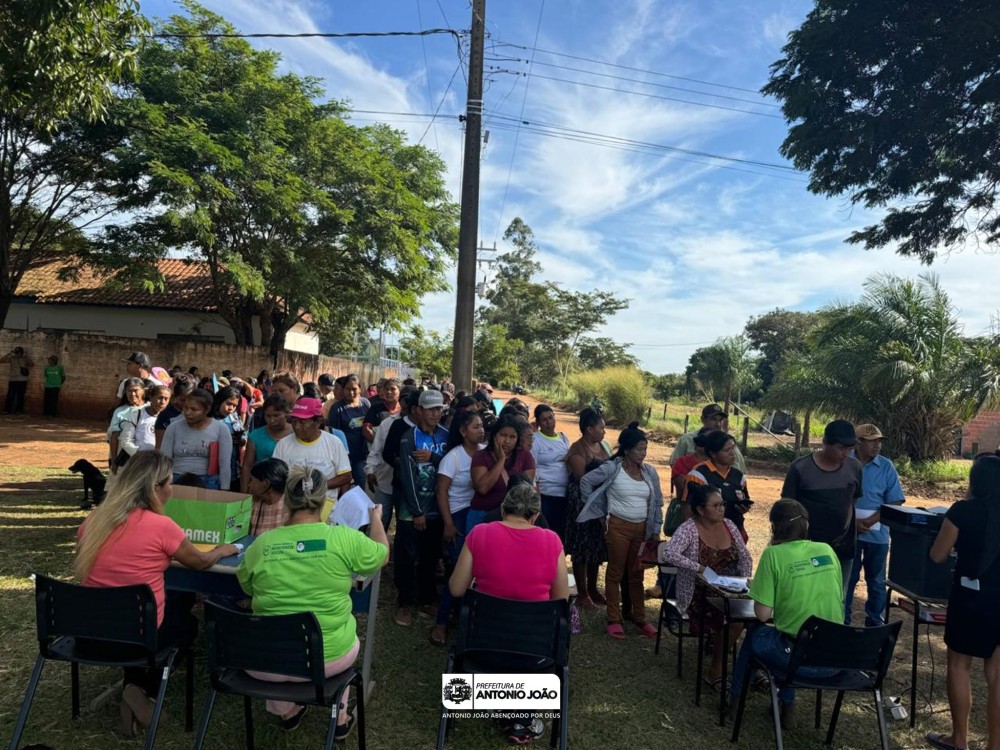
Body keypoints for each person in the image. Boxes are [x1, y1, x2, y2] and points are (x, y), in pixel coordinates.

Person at [74, 452, 238, 736]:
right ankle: (140, 689)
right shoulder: (161, 526)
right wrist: (223, 549)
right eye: (170, 483)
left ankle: (132, 689)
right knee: (186, 624)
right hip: (138, 638)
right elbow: (200, 562)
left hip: (87, 635)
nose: (172, 489)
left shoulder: (94, 520)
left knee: (144, 615)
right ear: (156, 488)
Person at [237, 465, 389, 735]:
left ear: (287, 498)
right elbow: (381, 554)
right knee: (342, 635)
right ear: (323, 501)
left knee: (277, 626)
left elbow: (247, 586)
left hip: (265, 662)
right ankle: (340, 718)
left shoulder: (262, 543)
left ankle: (287, 711)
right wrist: (375, 518)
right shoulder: (344, 539)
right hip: (327, 659)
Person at [449, 482, 569, 746]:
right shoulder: (552, 541)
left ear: (503, 509)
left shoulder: (479, 534)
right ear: (535, 516)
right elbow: (561, 598)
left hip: (481, 647)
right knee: (528, 637)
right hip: (535, 653)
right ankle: (520, 717)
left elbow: (456, 589)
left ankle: (505, 710)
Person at [727, 499, 845, 728]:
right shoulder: (827, 550)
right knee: (793, 638)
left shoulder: (773, 554)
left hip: (796, 661)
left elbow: (763, 615)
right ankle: (785, 707)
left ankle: (735, 701)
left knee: (756, 635)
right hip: (834, 659)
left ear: (774, 527)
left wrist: (759, 590)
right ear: (806, 525)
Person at [926, 455, 1000, 750]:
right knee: (997, 675)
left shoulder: (962, 511)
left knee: (959, 665)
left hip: (970, 598)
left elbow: (937, 555)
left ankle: (959, 739)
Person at [578, 421, 664, 640]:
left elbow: (657, 502)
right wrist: (598, 511)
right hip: (617, 527)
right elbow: (586, 482)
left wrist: (655, 528)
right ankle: (614, 619)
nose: (643, 453)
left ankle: (639, 618)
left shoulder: (649, 472)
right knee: (615, 573)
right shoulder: (612, 468)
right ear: (626, 450)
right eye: (639, 449)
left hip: (642, 529)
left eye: (645, 449)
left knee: (637, 574)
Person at [662, 483, 752, 688]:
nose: (722, 509)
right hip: (698, 593)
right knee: (734, 619)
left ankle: (750, 669)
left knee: (753, 616)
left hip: (731, 589)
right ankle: (716, 670)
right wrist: (699, 568)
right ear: (701, 510)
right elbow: (669, 553)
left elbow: (745, 557)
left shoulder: (729, 525)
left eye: (723, 504)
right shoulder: (689, 529)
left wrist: (744, 581)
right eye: (716, 505)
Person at [781, 419, 863, 594]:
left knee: (837, 595)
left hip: (842, 546)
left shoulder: (855, 468)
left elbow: (852, 501)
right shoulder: (801, 468)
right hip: (806, 547)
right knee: (806, 594)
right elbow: (787, 508)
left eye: (850, 448)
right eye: (841, 448)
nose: (846, 453)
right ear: (825, 443)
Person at [392, 388, 449, 627]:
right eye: (431, 409)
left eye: (439, 409)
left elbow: (450, 466)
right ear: (420, 411)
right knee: (406, 557)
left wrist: (433, 458)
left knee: (430, 556)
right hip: (412, 511)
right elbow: (407, 476)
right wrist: (417, 511)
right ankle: (404, 602)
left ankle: (426, 598)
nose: (435, 414)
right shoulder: (409, 437)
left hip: (437, 509)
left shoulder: (446, 435)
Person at [431, 409, 486, 645]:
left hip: (478, 512)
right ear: (463, 432)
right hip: (457, 514)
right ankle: (441, 622)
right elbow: (441, 491)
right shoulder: (453, 458)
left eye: (482, 426)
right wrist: (449, 523)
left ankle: (468, 620)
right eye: (475, 427)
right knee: (457, 570)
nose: (481, 430)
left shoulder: (486, 452)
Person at [845, 423, 905, 627]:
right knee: (848, 578)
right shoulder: (845, 462)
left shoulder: (886, 466)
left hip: (877, 534)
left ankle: (875, 623)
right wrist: (852, 522)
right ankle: (843, 622)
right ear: (858, 442)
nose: (877, 445)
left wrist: (871, 520)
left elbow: (895, 500)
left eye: (879, 441)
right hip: (849, 532)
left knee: (877, 582)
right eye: (872, 441)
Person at [272, 397, 351, 519]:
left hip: (326, 513)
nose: (297, 427)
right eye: (294, 421)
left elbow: (346, 476)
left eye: (302, 422)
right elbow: (276, 477)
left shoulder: (334, 443)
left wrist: (316, 485)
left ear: (318, 422)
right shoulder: (283, 445)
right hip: (293, 512)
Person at [564, 407, 611, 610]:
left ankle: (593, 588)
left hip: (599, 501)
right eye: (601, 427)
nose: (604, 431)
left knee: (596, 547)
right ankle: (582, 593)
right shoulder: (577, 450)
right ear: (589, 429)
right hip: (581, 502)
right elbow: (582, 479)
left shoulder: (602, 446)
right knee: (582, 548)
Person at [468, 413, 536, 532]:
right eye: (503, 435)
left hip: (512, 519)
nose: (507, 441)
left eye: (512, 437)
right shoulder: (481, 456)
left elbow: (524, 491)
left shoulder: (525, 456)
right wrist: (501, 460)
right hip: (482, 515)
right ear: (494, 435)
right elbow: (483, 488)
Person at [683, 430, 752, 541]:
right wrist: (694, 537)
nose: (732, 453)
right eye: (726, 450)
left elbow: (744, 499)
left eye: (733, 448)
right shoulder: (698, 474)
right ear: (713, 454)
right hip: (708, 533)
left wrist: (744, 508)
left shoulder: (739, 476)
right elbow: (688, 508)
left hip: (735, 531)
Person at [160, 388, 232, 490]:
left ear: (207, 409)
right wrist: (163, 485)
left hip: (208, 481)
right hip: (177, 479)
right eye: (185, 407)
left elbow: (225, 463)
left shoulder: (221, 429)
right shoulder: (173, 428)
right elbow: (165, 461)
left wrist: (225, 488)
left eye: (194, 409)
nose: (188, 412)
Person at [531, 404, 571, 543]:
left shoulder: (563, 438)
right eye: (544, 420)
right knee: (547, 531)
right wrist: (536, 490)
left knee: (561, 532)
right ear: (538, 423)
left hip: (564, 493)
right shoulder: (535, 439)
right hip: (546, 493)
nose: (549, 422)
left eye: (551, 417)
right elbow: (532, 465)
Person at [670, 403, 747, 473]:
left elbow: (740, 470)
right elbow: (674, 464)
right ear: (703, 419)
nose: (718, 424)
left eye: (721, 420)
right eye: (713, 419)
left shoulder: (728, 441)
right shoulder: (687, 439)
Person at [241, 395, 292, 493]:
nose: (272, 420)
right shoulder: (255, 436)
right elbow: (247, 466)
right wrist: (244, 494)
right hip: (262, 490)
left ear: (287, 414)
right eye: (268, 416)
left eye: (276, 415)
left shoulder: (296, 434)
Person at [328, 374, 371, 488]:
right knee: (343, 489)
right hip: (344, 457)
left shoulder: (366, 404)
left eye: (354, 389)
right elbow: (333, 434)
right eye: (348, 389)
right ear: (343, 389)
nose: (351, 392)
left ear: (360, 389)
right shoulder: (337, 408)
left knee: (361, 487)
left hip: (362, 457)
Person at [108, 377, 147, 474]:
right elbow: (114, 436)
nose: (132, 394)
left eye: (135, 390)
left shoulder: (149, 408)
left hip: (146, 456)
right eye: (129, 391)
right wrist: (114, 460)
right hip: (125, 456)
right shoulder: (120, 411)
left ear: (143, 391)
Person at [211, 386, 246, 492]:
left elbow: (244, 438)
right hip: (213, 471)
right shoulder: (210, 420)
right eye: (228, 404)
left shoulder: (234, 418)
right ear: (219, 400)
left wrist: (240, 440)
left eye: (234, 406)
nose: (231, 408)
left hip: (233, 469)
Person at [120, 385, 171, 457]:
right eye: (160, 398)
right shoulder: (136, 415)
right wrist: (139, 455)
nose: (162, 402)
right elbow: (126, 440)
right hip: (139, 460)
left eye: (166, 399)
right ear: (151, 397)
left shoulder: (169, 419)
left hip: (160, 460)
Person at [247, 457, 290, 535]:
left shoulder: (290, 507)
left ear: (266, 483)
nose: (249, 485)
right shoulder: (252, 504)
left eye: (252, 480)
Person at [154, 374, 196, 449]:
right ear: (175, 397)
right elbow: (159, 445)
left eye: (190, 399)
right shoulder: (165, 416)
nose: (186, 403)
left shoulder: (197, 414)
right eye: (183, 400)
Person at [362, 377, 401, 443]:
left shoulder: (403, 410)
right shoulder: (375, 408)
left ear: (399, 392)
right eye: (387, 389)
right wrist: (379, 444)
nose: (389, 392)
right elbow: (366, 429)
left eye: (393, 389)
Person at [2, 345, 34, 414]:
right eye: (16, 353)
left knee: (21, 396)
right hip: (13, 379)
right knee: (10, 395)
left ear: (22, 353)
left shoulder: (25, 359)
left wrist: (27, 356)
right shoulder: (12, 358)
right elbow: (1, 361)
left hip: (23, 380)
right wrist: (8, 354)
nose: (17, 354)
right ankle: (7, 410)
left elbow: (32, 364)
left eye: (19, 353)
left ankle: (19, 410)